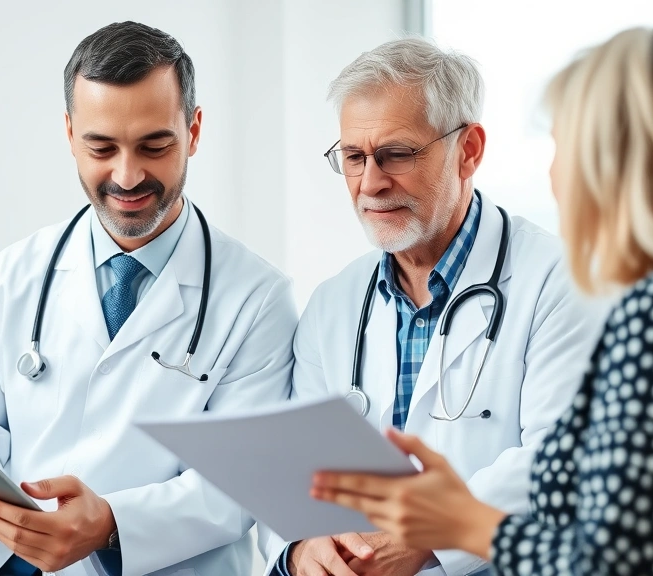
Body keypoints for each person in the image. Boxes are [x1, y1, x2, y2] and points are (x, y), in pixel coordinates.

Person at [311, 26, 653, 575]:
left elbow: (609, 560)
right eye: (354, 156)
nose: (554, 173)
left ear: (624, 164)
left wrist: (456, 522)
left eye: (567, 146)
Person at [0, 21, 297, 576]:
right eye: (101, 147)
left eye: (154, 145)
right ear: (69, 134)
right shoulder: (14, 273)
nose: (127, 174)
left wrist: (111, 522)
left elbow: (242, 484)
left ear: (194, 130)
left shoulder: (257, 299)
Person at [258, 37, 606, 576]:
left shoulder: (558, 281)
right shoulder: (334, 304)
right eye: (353, 157)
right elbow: (296, 471)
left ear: (468, 150)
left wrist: (426, 536)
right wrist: (304, 551)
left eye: (397, 154)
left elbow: (558, 460)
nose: (371, 183)